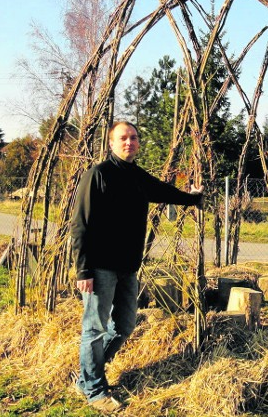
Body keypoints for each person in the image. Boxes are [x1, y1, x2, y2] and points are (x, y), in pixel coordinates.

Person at [70, 120, 203, 413]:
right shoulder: (98, 175)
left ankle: (88, 374)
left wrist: (194, 198)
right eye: (122, 138)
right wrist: (83, 270)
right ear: (111, 143)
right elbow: (81, 225)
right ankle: (94, 389)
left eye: (133, 138)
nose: (128, 142)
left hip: (128, 268)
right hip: (100, 267)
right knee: (94, 328)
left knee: (125, 325)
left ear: (138, 143)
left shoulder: (137, 177)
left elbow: (166, 192)